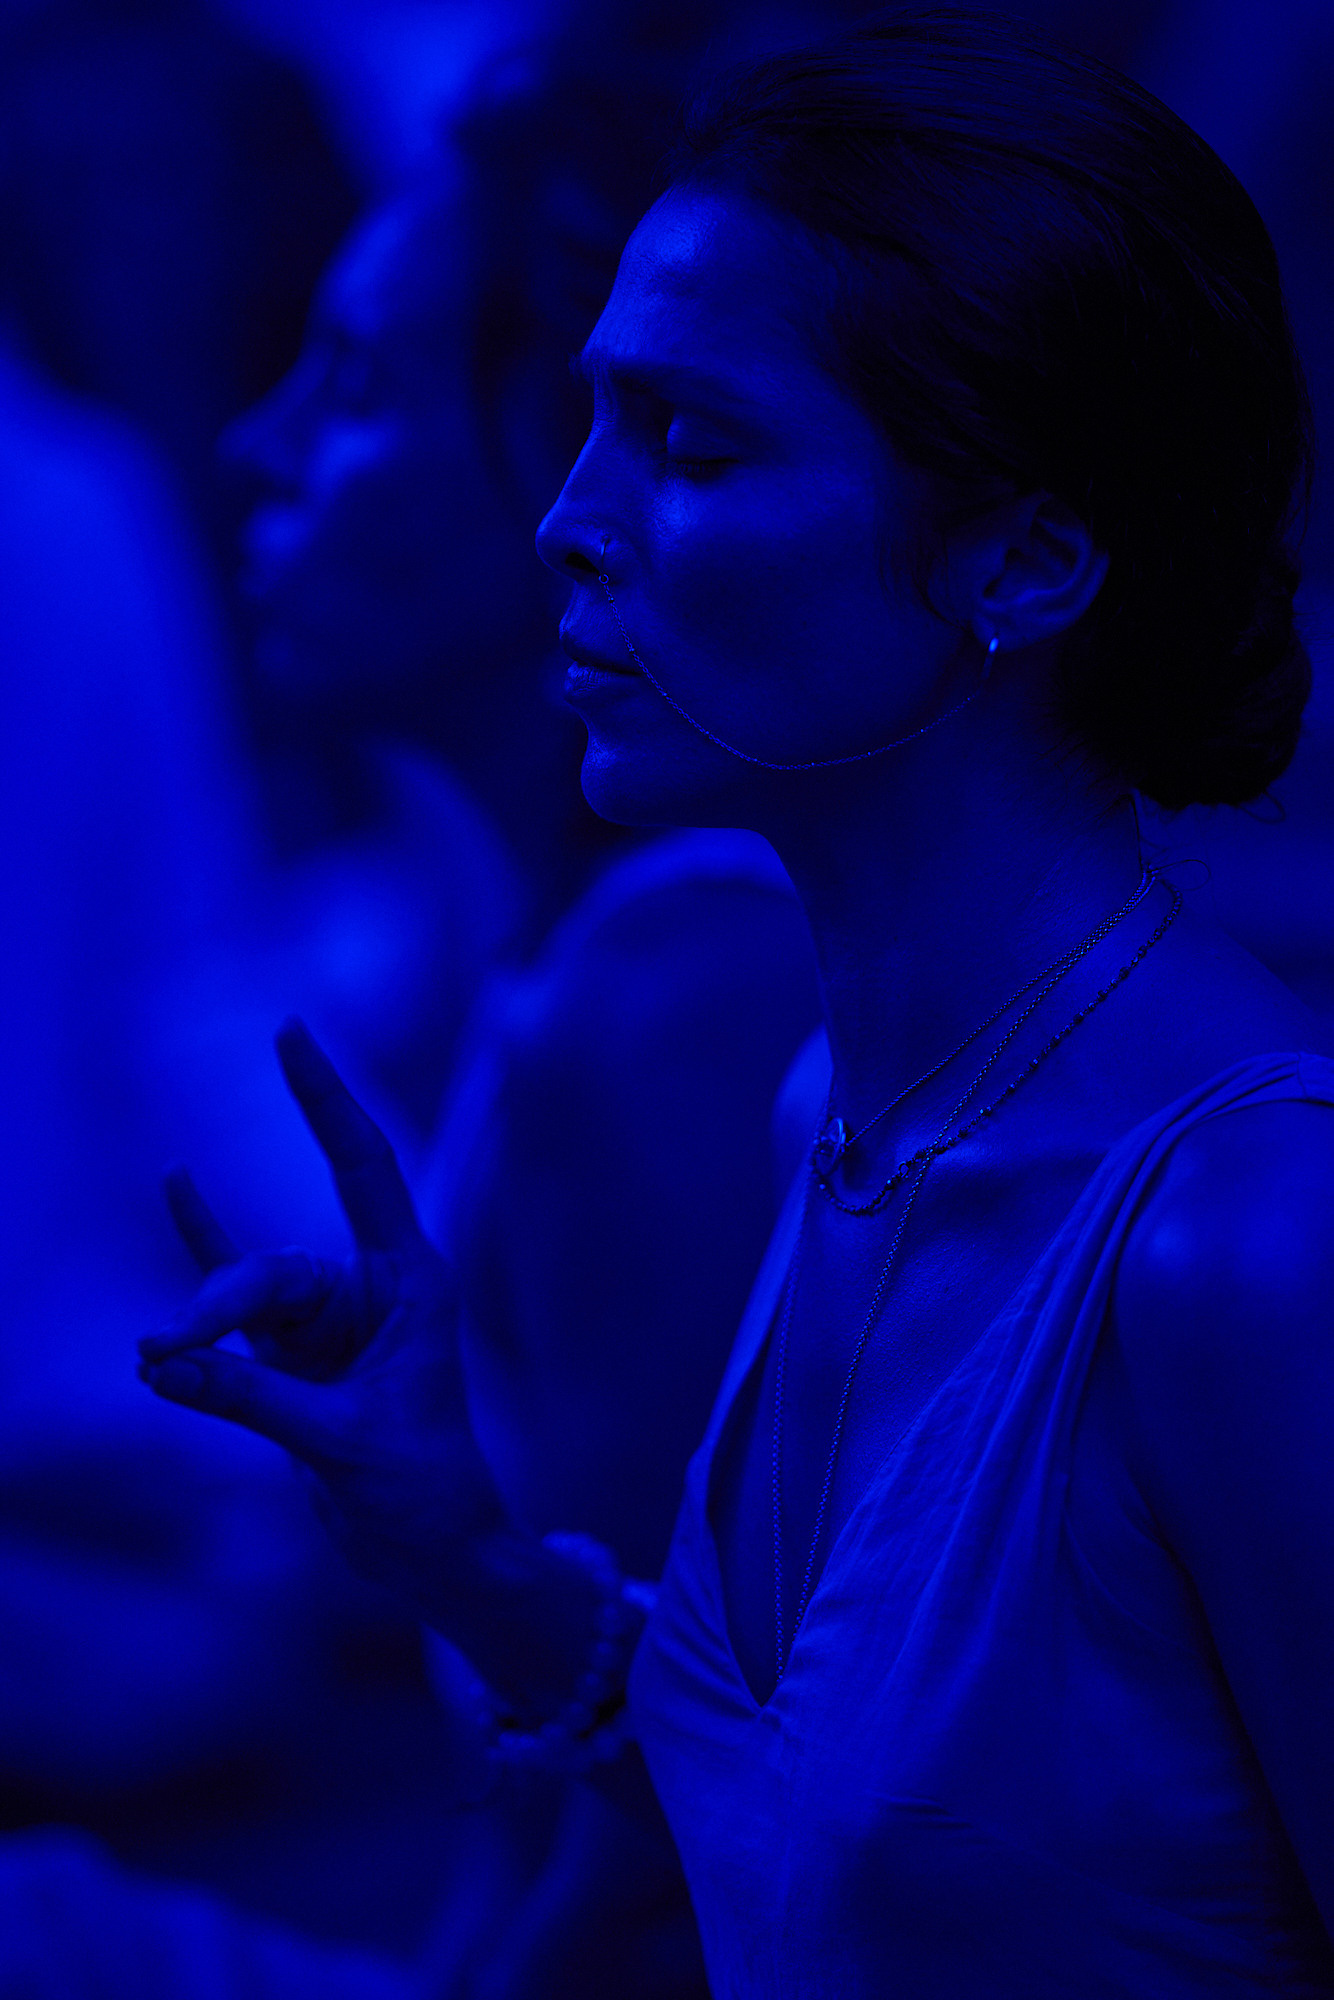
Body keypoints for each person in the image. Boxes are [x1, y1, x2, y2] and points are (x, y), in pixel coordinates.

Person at [138, 8, 1334, 1993]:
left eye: (692, 447)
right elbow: (812, 1857)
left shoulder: (1248, 1239)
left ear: (1023, 562)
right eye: (589, 422)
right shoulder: (839, 1112)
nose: (566, 521)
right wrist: (462, 1551)